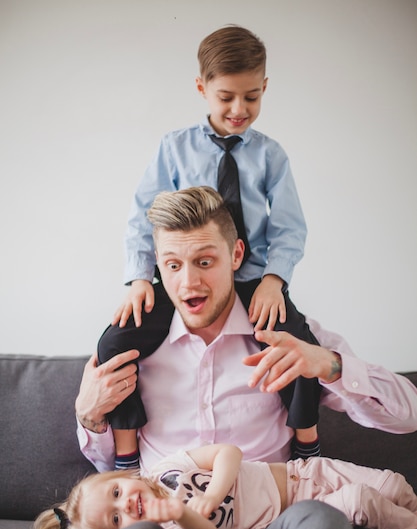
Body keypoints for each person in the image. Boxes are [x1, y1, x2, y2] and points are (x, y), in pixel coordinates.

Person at [74, 185, 417, 529]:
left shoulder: (288, 333)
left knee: (320, 518)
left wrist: (329, 365)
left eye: (205, 262)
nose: (188, 283)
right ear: (157, 265)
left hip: (272, 521)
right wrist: (90, 414)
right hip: (168, 528)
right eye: (172, 266)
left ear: (236, 255)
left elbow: (409, 415)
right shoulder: (132, 346)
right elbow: (111, 476)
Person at [99, 25, 322, 471]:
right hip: (187, 279)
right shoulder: (174, 148)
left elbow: (290, 227)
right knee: (115, 343)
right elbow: (143, 215)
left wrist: (274, 282)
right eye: (226, 97)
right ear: (202, 89)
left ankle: (306, 445)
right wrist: (141, 278)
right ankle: (125, 452)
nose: (239, 109)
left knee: (298, 346)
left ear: (264, 88)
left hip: (255, 280)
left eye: (252, 97)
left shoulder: (271, 156)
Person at [3, 443, 417, 529]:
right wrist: (182, 513)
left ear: (123, 477)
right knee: (362, 500)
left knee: (394, 485)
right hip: (297, 517)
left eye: (116, 493)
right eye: (114, 520)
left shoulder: (168, 467)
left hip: (304, 474)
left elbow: (229, 453)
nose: (125, 505)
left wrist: (215, 492)